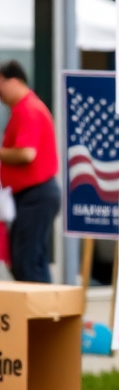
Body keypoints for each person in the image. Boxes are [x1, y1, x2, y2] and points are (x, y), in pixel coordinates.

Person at [0, 61, 60, 283]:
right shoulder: (21, 110)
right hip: (28, 196)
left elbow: (26, 153)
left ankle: (40, 305)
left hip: (36, 195)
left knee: (28, 262)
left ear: (14, 81)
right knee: (26, 261)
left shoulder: (29, 109)